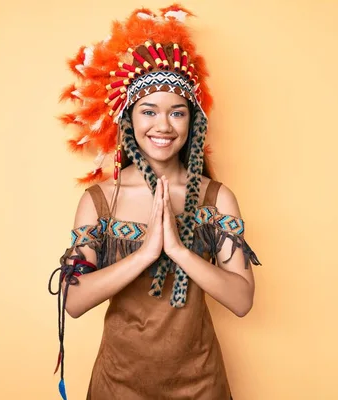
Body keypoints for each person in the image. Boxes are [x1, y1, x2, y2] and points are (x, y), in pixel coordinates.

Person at [48, 5, 261, 399]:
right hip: (118, 386)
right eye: (149, 111)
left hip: (200, 385)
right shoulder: (101, 201)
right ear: (128, 120)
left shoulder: (217, 199)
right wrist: (145, 254)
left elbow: (243, 300)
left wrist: (178, 250)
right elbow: (74, 302)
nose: (162, 126)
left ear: (192, 121)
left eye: (176, 113)